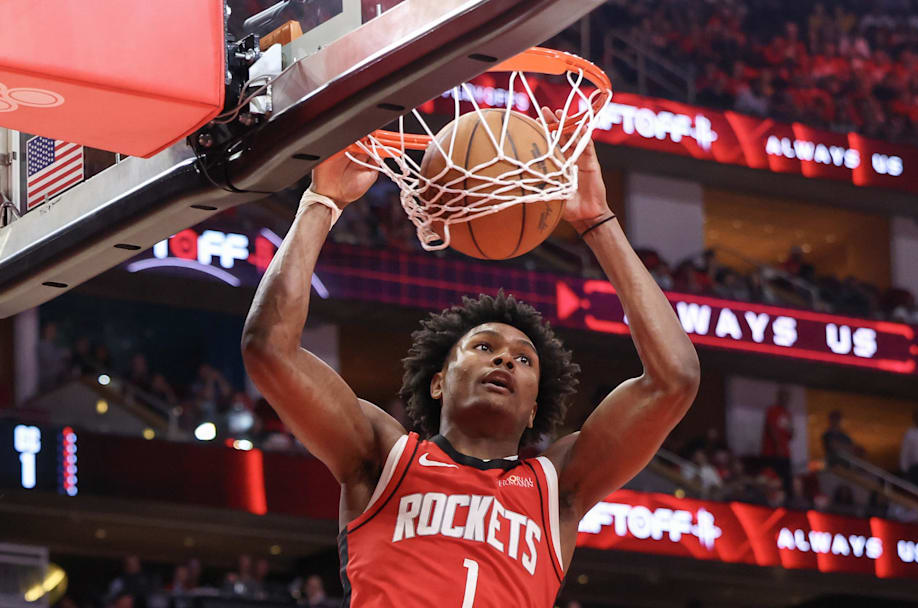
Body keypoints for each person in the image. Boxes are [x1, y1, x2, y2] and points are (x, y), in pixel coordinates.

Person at [241, 124, 700, 607]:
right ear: (438, 381)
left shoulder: (557, 486)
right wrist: (321, 202)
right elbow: (271, 350)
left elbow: (674, 379)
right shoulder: (383, 456)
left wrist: (597, 221)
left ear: (533, 409)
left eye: (524, 359)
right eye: (483, 347)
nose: (504, 357)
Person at [761, 388, 794, 494]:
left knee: (786, 481)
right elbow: (771, 429)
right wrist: (778, 446)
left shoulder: (788, 414)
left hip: (785, 454)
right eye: (783, 396)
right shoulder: (772, 410)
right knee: (770, 479)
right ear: (779, 397)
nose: (785, 399)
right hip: (771, 453)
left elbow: (790, 434)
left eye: (787, 397)